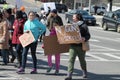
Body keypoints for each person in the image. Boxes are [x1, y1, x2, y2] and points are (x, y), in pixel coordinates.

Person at [65, 14, 91, 80]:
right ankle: (69, 75)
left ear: (78, 18)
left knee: (82, 60)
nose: (73, 18)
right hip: (72, 45)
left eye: (74, 17)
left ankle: (84, 72)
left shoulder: (84, 26)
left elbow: (88, 35)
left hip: (80, 46)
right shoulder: (71, 25)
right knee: (71, 60)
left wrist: (84, 38)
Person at [46, 9, 63, 74]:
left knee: (57, 55)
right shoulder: (50, 17)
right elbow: (47, 24)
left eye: (52, 12)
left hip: (58, 37)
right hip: (51, 35)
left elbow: (62, 26)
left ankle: (57, 68)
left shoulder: (59, 18)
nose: (51, 13)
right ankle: (50, 65)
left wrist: (58, 27)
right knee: (49, 53)